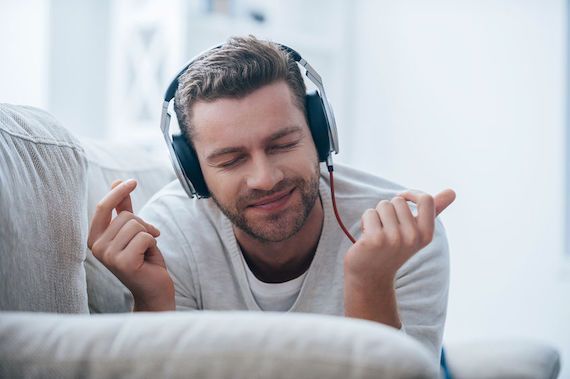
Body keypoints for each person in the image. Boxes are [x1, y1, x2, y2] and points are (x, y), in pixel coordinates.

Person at [87, 36, 455, 362]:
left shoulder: (404, 235)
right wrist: (151, 302)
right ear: (194, 173)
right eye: (231, 160)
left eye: (282, 145)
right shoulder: (169, 237)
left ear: (320, 136)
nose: (265, 179)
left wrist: (370, 282)